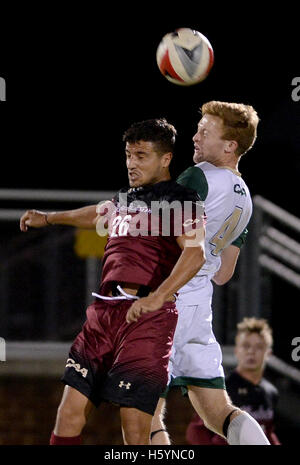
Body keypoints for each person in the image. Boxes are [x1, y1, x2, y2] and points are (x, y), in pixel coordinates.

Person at [20, 118, 206, 445]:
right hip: (103, 316)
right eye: (128, 155)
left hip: (147, 319)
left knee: (134, 431)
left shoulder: (182, 199)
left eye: (141, 156)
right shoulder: (124, 198)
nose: (131, 164)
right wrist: (48, 218)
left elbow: (195, 252)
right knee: (68, 415)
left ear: (165, 159)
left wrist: (159, 297)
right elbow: (97, 214)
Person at [150, 101, 270, 445]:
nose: (195, 137)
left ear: (230, 145)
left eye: (205, 132)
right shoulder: (245, 200)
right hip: (200, 307)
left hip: (168, 298)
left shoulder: (197, 176)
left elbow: (157, 235)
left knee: (143, 410)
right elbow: (223, 274)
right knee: (219, 412)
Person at [186, 318, 281, 445]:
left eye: (259, 347)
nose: (251, 352)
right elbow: (195, 431)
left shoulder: (270, 392)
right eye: (246, 346)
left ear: (268, 353)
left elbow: (267, 432)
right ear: (236, 351)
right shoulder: (222, 387)